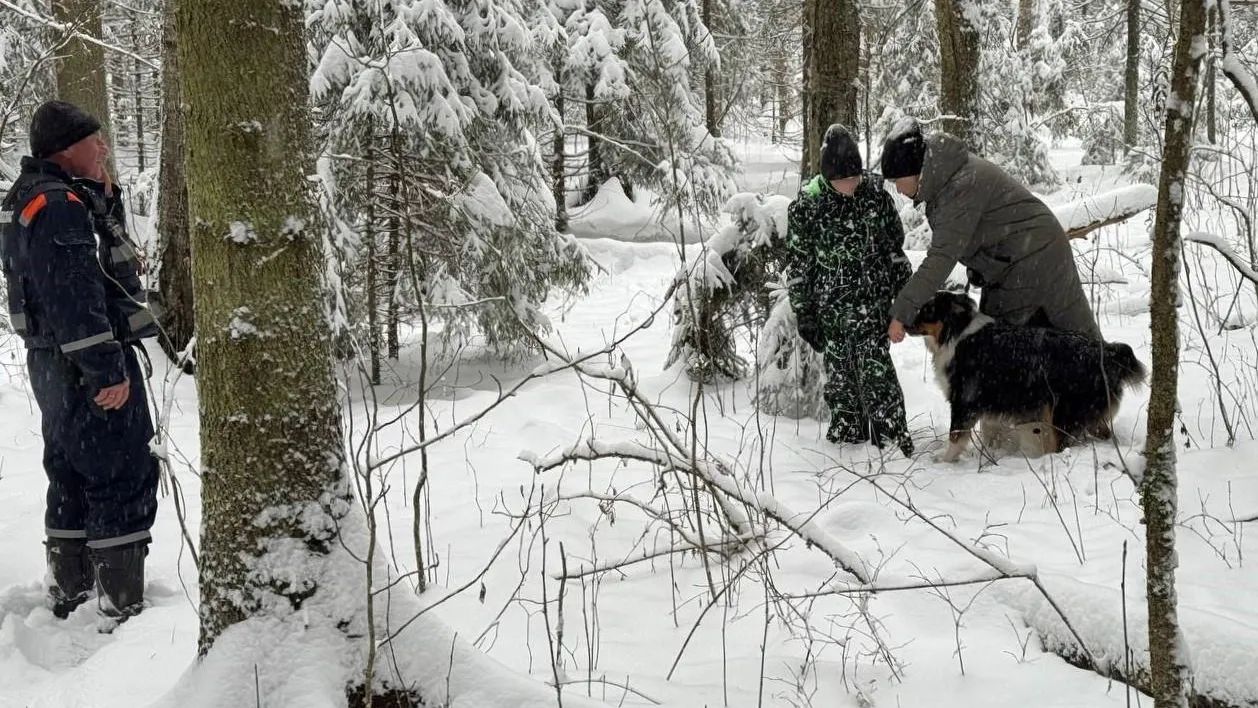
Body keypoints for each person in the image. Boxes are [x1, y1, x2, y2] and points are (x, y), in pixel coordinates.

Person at [0, 100, 159, 621]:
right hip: (82, 362)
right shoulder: (60, 205)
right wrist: (106, 370)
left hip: (50, 362)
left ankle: (70, 594)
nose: (104, 148)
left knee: (70, 468)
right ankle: (121, 608)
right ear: (67, 148)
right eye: (95, 141)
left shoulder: (33, 197)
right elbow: (74, 293)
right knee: (121, 470)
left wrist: (103, 202)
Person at [878, 117, 1101, 344]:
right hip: (1022, 258)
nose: (897, 188)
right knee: (1063, 343)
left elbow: (940, 260)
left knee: (1007, 349)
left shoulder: (957, 187)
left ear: (916, 170)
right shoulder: (945, 177)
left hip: (1030, 260)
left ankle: (1106, 370)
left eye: (897, 180)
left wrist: (901, 313)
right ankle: (1103, 368)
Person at [786, 124, 915, 456]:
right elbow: (800, 268)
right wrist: (805, 314)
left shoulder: (874, 197)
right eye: (844, 180)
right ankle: (846, 449)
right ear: (829, 177)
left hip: (873, 312)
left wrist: (905, 302)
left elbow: (895, 255)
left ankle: (892, 445)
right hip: (832, 316)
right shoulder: (809, 205)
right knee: (842, 384)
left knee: (879, 379)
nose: (852, 184)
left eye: (855, 177)